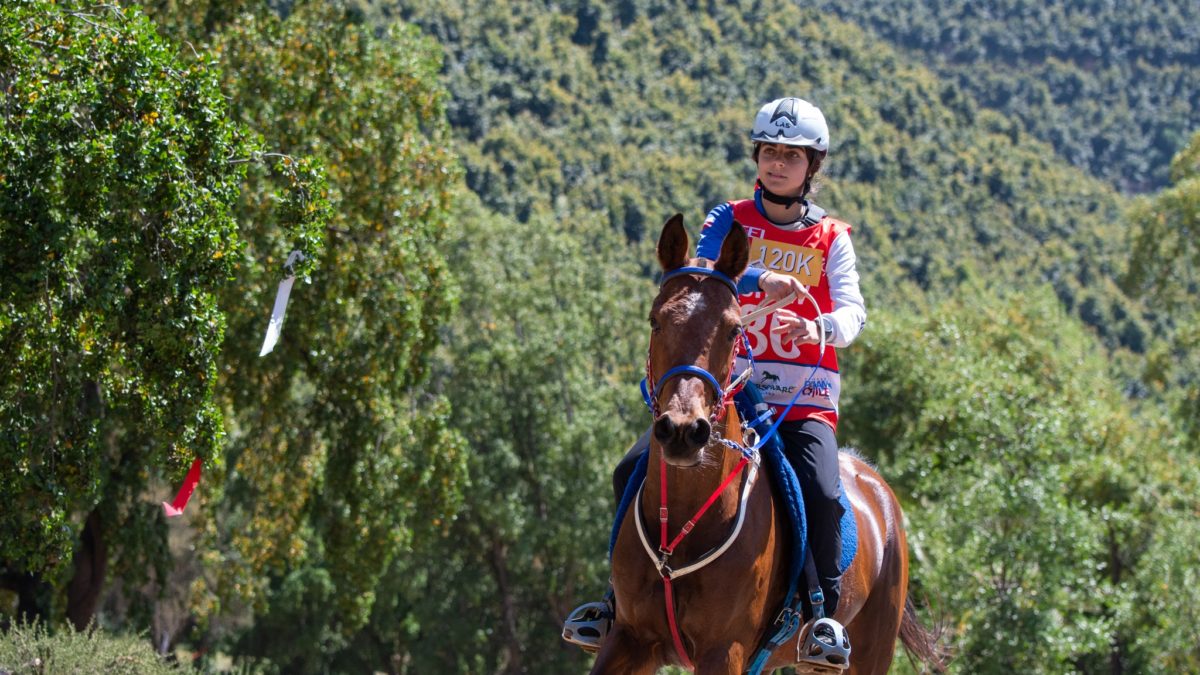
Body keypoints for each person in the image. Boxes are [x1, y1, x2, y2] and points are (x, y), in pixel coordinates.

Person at [563, 97, 866, 664]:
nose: (778, 164)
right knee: (631, 466)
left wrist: (816, 325)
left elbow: (854, 315)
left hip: (802, 400)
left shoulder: (832, 239)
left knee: (822, 489)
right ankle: (614, 601)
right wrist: (762, 274)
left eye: (792, 156)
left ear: (812, 166)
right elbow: (696, 277)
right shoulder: (726, 219)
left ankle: (820, 613)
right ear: (757, 156)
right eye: (770, 152)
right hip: (735, 389)